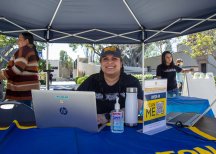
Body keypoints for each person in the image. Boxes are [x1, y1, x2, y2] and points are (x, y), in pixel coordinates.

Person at [77, 46, 143, 124]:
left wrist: (107, 117)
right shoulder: (91, 80)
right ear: (101, 63)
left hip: (122, 128)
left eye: (114, 59)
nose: (110, 62)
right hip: (95, 127)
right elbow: (75, 101)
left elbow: (135, 108)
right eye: (105, 59)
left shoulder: (132, 82)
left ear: (121, 64)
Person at [0, 32, 40, 107]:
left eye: (20, 39)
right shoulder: (30, 50)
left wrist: (2, 74)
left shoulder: (24, 50)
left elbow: (17, 70)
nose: (17, 42)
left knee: (21, 116)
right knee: (25, 114)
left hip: (22, 91)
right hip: (28, 90)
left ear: (26, 41)